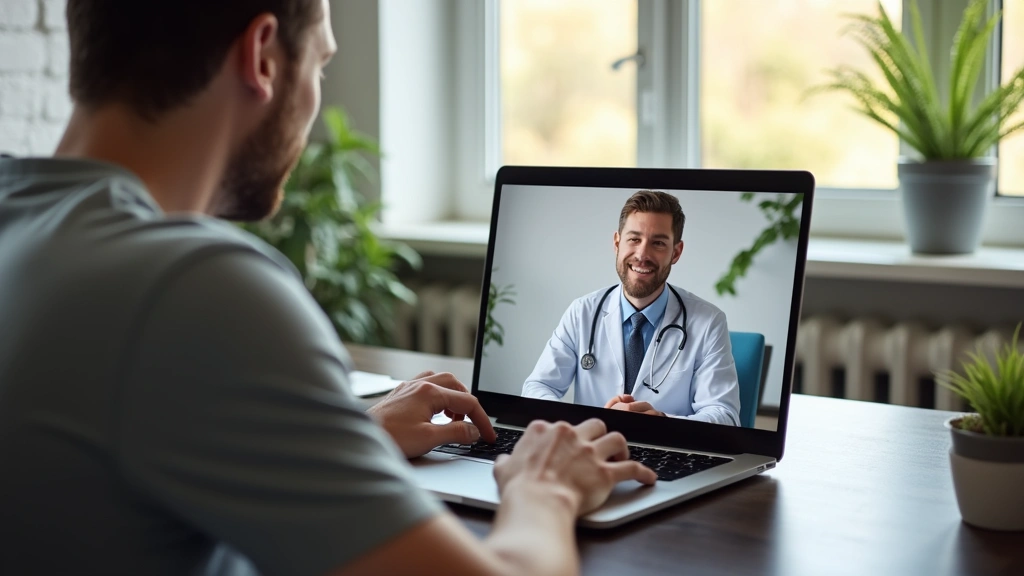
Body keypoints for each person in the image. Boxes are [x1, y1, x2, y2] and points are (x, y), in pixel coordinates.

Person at [0, 2, 657, 575]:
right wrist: (544, 489)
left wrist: (345, 441)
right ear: (262, 56)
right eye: (320, 64)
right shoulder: (193, 287)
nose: (316, 97)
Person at [521, 191, 741, 425]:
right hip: (590, 450)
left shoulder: (708, 322)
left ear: (675, 252)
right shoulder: (582, 312)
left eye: (658, 243)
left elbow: (725, 416)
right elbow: (538, 387)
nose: (642, 255)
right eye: (634, 239)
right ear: (617, 243)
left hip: (665, 451)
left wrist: (663, 422)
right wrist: (582, 422)